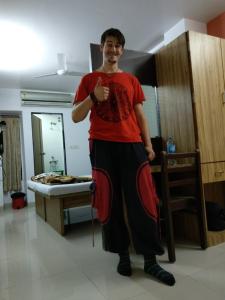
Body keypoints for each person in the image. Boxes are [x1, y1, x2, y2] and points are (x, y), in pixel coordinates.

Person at [72, 28, 175, 286]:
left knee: (144, 201)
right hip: (102, 146)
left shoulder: (131, 80)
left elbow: (140, 115)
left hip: (132, 145)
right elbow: (75, 116)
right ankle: (122, 255)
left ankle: (151, 260)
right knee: (111, 202)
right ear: (101, 47)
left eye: (118, 46)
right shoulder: (88, 79)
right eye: (109, 44)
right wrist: (93, 99)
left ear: (122, 50)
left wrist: (148, 145)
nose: (113, 49)